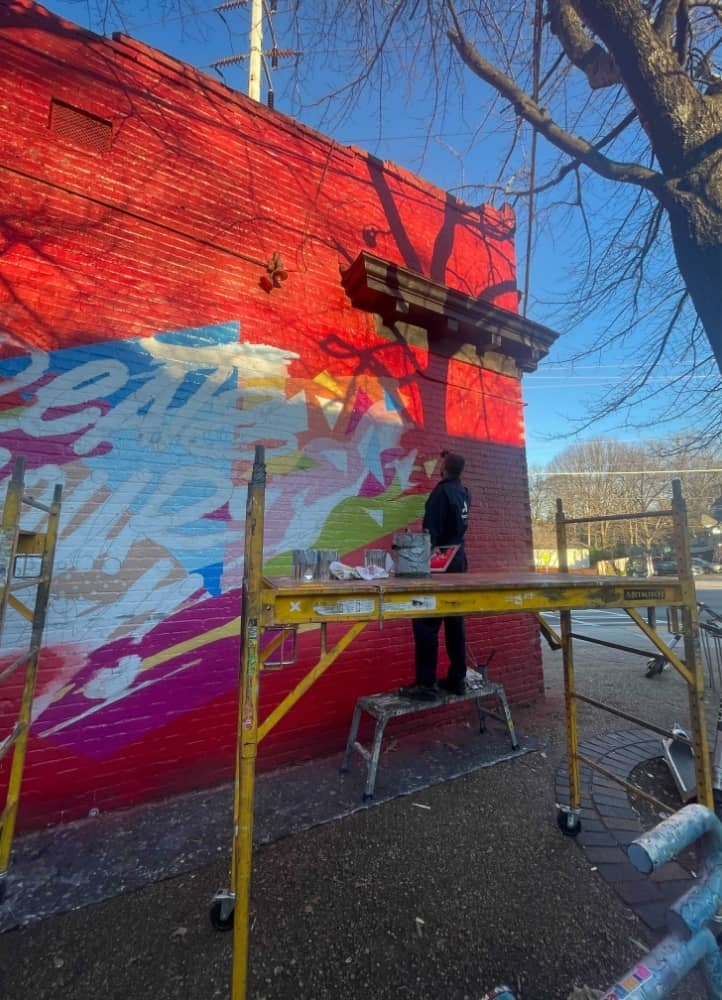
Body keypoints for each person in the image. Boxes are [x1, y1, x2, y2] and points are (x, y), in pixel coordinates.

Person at [400, 450, 470, 701]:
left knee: (425, 622)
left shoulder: (441, 493)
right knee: (454, 622)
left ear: (444, 468)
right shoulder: (463, 492)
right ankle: (457, 678)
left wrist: (418, 560)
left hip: (442, 565)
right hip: (459, 562)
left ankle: (426, 684)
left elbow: (431, 536)